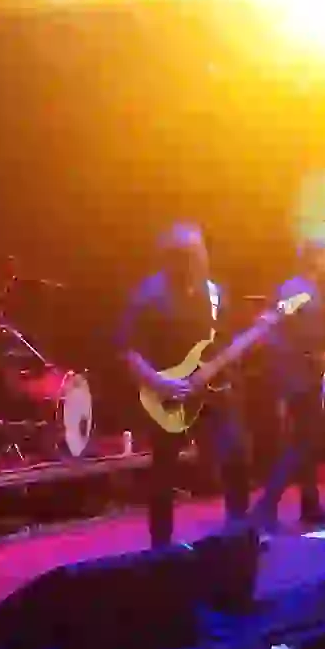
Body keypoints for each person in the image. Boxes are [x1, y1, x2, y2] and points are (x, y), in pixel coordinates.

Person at [116, 223, 254, 548]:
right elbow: (128, 349)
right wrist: (158, 381)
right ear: (172, 258)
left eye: (200, 251)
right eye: (189, 254)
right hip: (168, 395)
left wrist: (229, 359)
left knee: (236, 457)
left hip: (214, 392)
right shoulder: (149, 294)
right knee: (164, 471)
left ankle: (238, 535)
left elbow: (225, 342)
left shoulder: (216, 294)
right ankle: (160, 546)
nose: (197, 259)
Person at [252, 239, 325, 532]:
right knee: (303, 443)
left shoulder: (290, 288)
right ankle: (266, 506)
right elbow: (312, 346)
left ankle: (310, 504)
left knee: (306, 442)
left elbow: (274, 324)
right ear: (317, 260)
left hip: (287, 373)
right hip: (300, 376)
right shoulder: (308, 295)